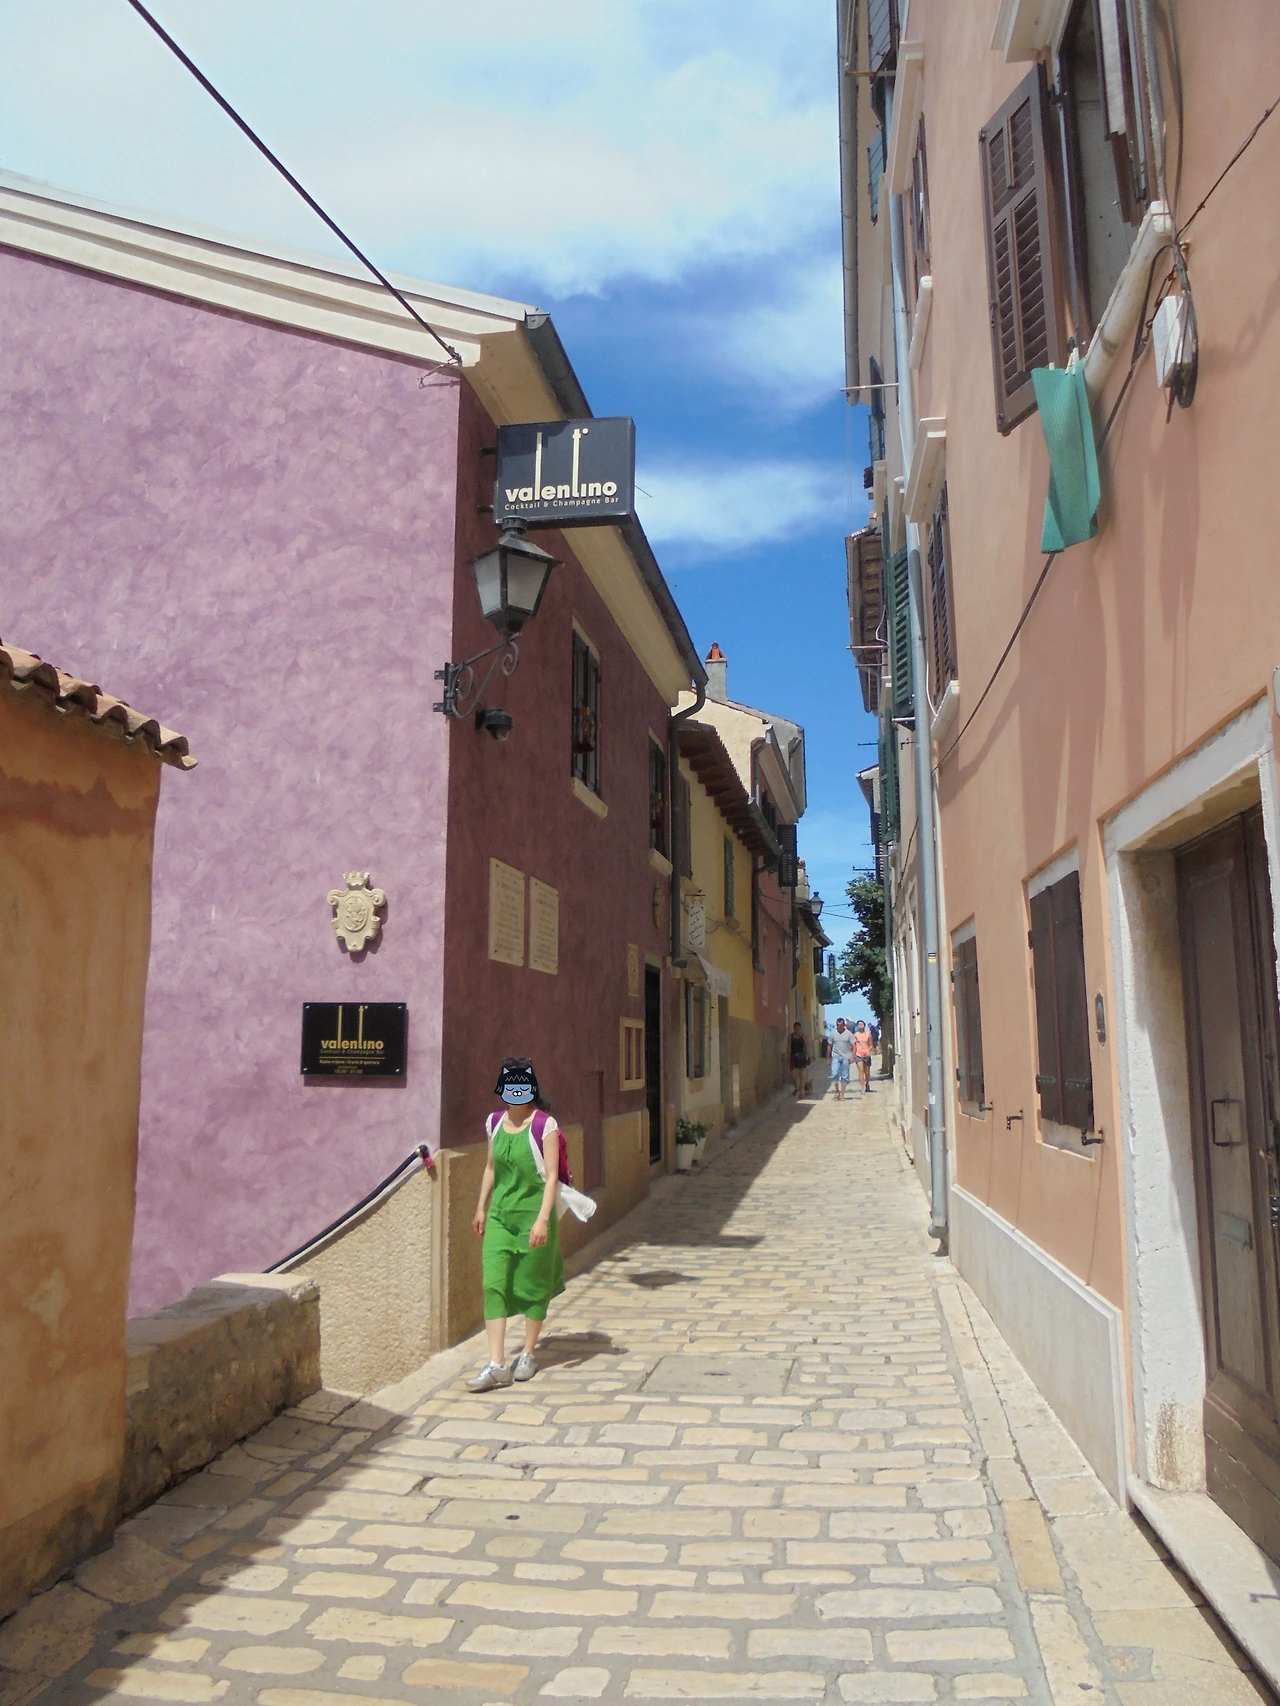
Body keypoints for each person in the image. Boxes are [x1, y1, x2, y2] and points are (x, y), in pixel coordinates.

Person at [468, 1057, 564, 1391]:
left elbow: (551, 1176)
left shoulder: (544, 1126)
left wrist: (542, 1221)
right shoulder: (494, 1123)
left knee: (531, 1284)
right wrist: (481, 1207)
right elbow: (491, 1167)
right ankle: (496, 1363)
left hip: (533, 1216)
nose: (515, 1092)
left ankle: (528, 1352)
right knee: (493, 1283)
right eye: (509, 1085)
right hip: (500, 1217)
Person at [829, 1017, 856, 1101]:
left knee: (845, 1075)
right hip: (835, 1056)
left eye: (841, 1025)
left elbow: (854, 1045)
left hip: (846, 1057)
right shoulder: (833, 1034)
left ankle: (842, 1094)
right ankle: (837, 1091)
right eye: (838, 1025)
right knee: (834, 1073)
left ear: (844, 1025)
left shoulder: (849, 1034)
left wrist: (853, 1056)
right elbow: (829, 1046)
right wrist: (827, 1058)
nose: (839, 1027)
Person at [788, 1022, 810, 1098]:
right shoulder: (791, 1036)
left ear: (800, 1028)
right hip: (793, 1056)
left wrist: (808, 1056)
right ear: (794, 1028)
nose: (797, 1029)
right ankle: (796, 1087)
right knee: (793, 1074)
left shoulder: (804, 1036)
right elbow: (789, 1046)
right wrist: (788, 1056)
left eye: (798, 1028)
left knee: (802, 1076)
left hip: (802, 1056)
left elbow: (807, 1047)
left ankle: (801, 1092)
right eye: (796, 1028)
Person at [852, 1019, 875, 1093]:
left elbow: (871, 1044)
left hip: (866, 1055)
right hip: (858, 1055)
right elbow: (853, 1045)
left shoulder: (868, 1034)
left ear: (864, 1025)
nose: (860, 1026)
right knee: (861, 1071)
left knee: (867, 1072)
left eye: (862, 1024)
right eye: (859, 1024)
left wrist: (869, 1050)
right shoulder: (855, 1035)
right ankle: (862, 1088)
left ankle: (867, 1084)